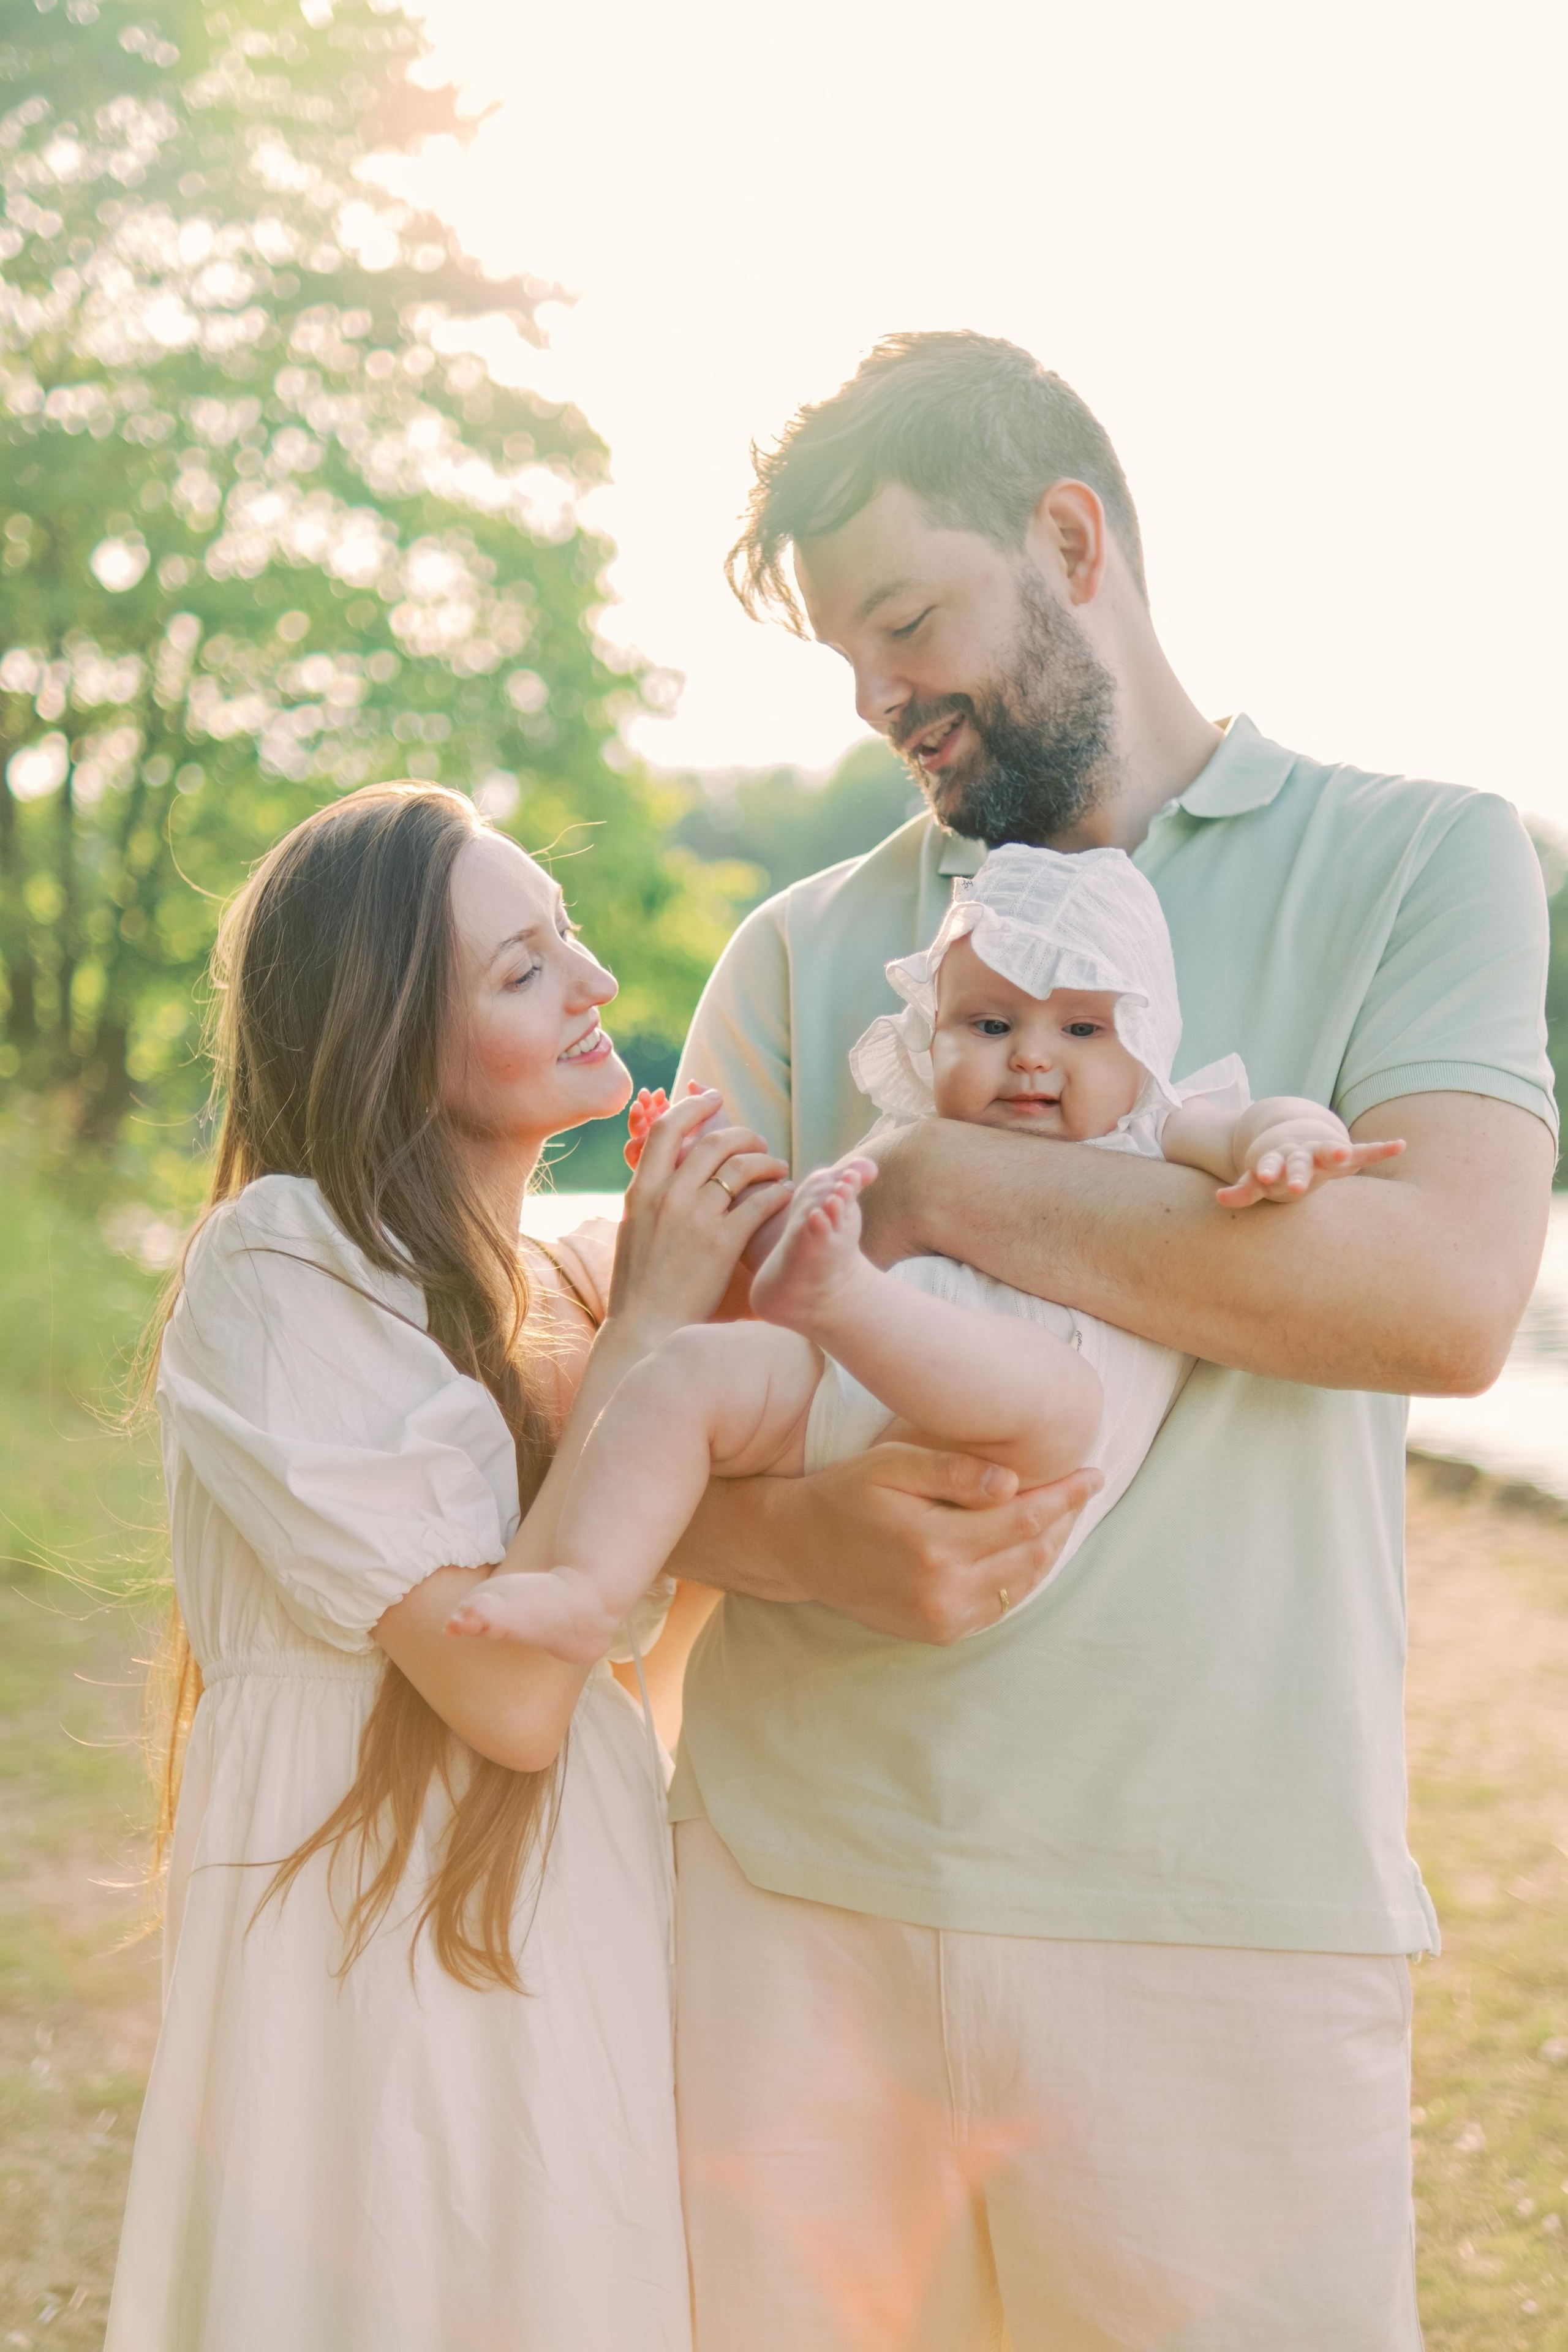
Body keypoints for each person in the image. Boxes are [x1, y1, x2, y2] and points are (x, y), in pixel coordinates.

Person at [659, 334, 1558, 2350]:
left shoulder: (1425, 858)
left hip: (1221, 1919)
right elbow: (653, 1403)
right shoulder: (801, 952)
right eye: (844, 659)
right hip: (795, 1900)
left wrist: (938, 1188)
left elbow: (1440, 1296)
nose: (882, 694)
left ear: (1071, 540)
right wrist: (804, 1545)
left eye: (906, 619)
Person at [104, 783, 790, 2352]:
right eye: (522, 967)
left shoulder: (533, 1278)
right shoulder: (280, 1263)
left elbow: (619, 1678)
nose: (595, 983)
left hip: (566, 1895)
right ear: (389, 1034)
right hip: (374, 1931)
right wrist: (655, 1332)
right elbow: (503, 1692)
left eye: (568, 940)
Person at [453, 843, 1400, 1665]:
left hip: (1017, 1449)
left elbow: (1248, 1128)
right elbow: (785, 1244)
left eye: (1080, 1028)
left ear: (1143, 1045)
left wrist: (1292, 1142)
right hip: (852, 1406)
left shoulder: (1156, 1126)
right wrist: (726, 1187)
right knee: (690, 1371)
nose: (1032, 1057)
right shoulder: (901, 1139)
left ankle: (845, 1302)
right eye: (991, 1026)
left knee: (1062, 1389)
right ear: (933, 1038)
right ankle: (589, 1589)